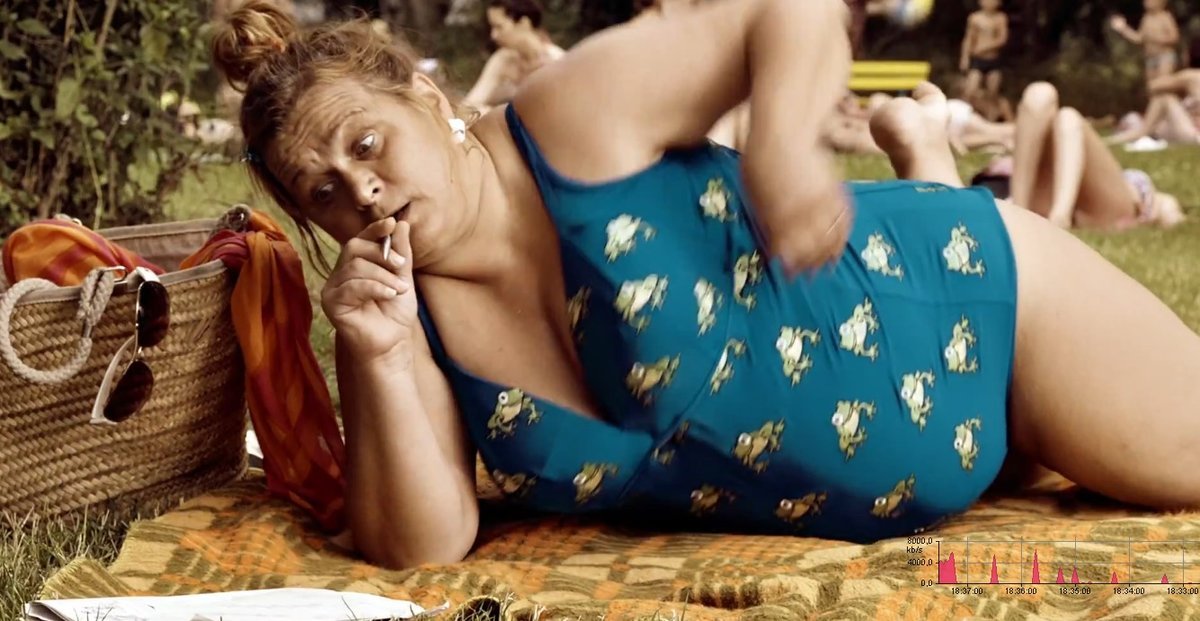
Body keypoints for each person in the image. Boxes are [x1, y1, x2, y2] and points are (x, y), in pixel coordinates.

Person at [214, 0, 1200, 570]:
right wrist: (382, 355)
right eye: (323, 190)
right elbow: (424, 548)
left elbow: (789, 12)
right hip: (939, 459)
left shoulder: (568, 119)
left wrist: (781, 150)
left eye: (368, 143)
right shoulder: (403, 314)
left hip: (982, 307)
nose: (361, 189)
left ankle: (927, 173)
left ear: (430, 99)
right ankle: (926, 159)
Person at [953, 82, 1184, 231]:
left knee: (1066, 116)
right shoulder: (997, 178)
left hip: (1103, 200)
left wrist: (1168, 210)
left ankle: (1057, 217)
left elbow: (1165, 206)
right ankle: (1038, 216)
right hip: (1035, 198)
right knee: (1044, 97)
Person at [460, 0, 565, 113]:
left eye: (499, 27)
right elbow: (469, 104)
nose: (494, 35)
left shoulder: (557, 61)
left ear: (524, 23)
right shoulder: (503, 59)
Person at [1108, 46, 1200, 147]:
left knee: (1164, 98)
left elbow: (1153, 86)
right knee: (1160, 121)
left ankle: (1140, 133)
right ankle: (1137, 134)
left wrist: (1164, 62)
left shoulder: (1191, 75)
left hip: (1194, 135)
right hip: (1190, 132)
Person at [959, 0, 1011, 122]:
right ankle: (967, 118)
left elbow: (1002, 39)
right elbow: (969, 38)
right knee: (970, 90)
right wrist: (964, 57)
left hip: (993, 60)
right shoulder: (975, 18)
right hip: (977, 60)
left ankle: (990, 121)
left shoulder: (1000, 18)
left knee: (992, 93)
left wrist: (985, 47)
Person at [1110, 0, 1181, 87]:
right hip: (1150, 58)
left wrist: (1156, 39)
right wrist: (1124, 29)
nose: (1146, 2)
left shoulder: (1165, 17)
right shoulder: (1146, 19)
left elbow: (1174, 37)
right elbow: (1139, 39)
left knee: (1163, 84)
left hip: (1164, 57)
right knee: (1152, 87)